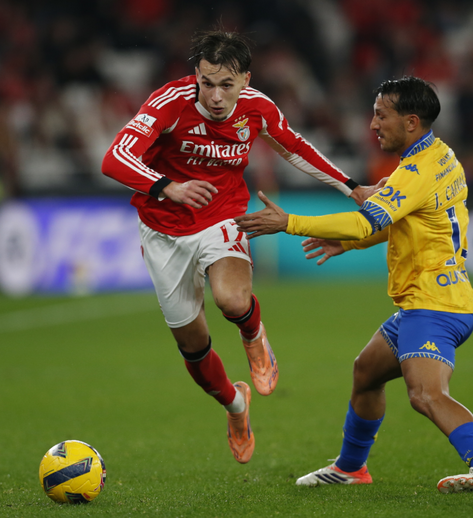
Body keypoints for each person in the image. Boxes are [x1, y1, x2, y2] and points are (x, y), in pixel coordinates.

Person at [101, 29, 374, 464]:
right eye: (206, 83)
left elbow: (294, 147)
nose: (214, 96)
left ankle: (254, 336)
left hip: (221, 216)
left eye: (226, 85)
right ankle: (235, 405)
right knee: (193, 347)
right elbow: (115, 157)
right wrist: (168, 186)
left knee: (231, 299)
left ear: (245, 80)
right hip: (162, 230)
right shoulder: (169, 103)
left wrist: (352, 187)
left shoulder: (257, 108)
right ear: (196, 75)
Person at [235, 76, 473, 492]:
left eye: (381, 115)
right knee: (366, 372)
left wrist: (289, 222)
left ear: (411, 121)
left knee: (425, 394)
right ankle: (351, 468)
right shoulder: (439, 156)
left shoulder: (417, 171)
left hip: (435, 304)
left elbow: (367, 220)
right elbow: (402, 221)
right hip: (429, 299)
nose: (373, 124)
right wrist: (349, 244)